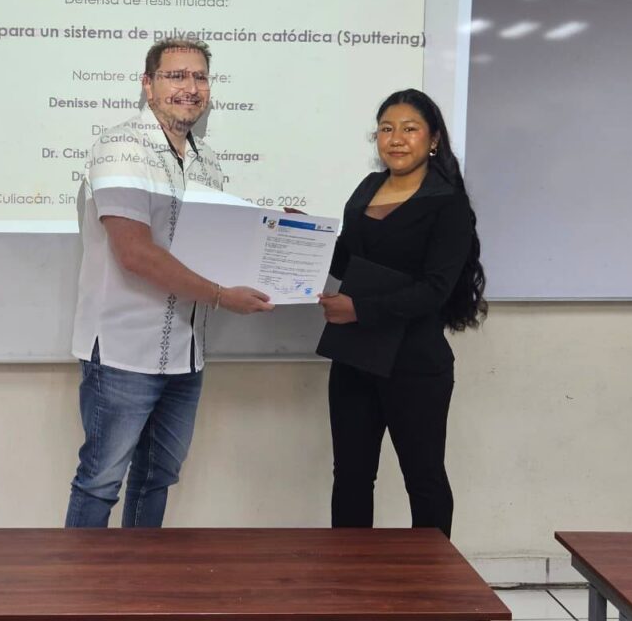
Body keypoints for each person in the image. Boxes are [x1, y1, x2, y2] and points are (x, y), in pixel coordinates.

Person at [66, 38, 273, 528]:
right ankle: (80, 581)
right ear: (148, 85)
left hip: (186, 353)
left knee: (157, 478)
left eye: (200, 77)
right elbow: (135, 253)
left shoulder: (207, 161)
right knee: (100, 482)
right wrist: (221, 296)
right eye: (176, 76)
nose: (190, 87)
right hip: (124, 352)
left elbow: (217, 244)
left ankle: (138, 576)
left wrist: (280, 232)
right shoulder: (120, 148)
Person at [317, 88, 487, 537]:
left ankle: (432, 577)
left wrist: (359, 310)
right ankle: (350, 573)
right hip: (355, 357)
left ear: (433, 139)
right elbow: (347, 260)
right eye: (386, 129)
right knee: (351, 476)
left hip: (415, 363)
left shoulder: (448, 203)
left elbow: (434, 290)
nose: (395, 139)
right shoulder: (367, 188)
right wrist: (304, 235)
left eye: (409, 129)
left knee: (423, 478)